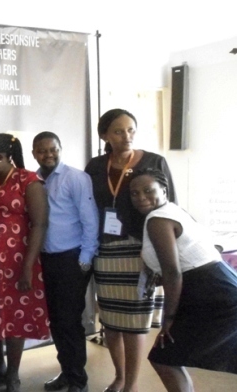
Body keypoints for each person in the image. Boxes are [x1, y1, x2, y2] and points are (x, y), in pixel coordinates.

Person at [85, 109, 176, 392]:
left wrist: (161, 259)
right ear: (104, 135)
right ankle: (120, 376)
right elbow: (89, 208)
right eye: (118, 131)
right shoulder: (96, 166)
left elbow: (170, 208)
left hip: (143, 251)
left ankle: (132, 385)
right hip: (107, 251)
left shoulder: (153, 161)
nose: (126, 136)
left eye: (131, 130)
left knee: (136, 322)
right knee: (111, 320)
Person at [129, 168, 237, 391]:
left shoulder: (158, 219)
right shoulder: (174, 210)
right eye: (134, 193)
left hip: (211, 293)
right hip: (218, 285)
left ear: (164, 190)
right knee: (167, 357)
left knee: (165, 356)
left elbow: (173, 272)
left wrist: (168, 319)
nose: (141, 197)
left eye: (148, 190)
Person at [0, 133, 50, 392]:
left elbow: (40, 224)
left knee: (15, 315)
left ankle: (14, 374)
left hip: (18, 260)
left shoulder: (28, 180)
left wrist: (28, 266)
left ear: (3, 156)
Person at [31, 132, 99, 392]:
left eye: (53, 149)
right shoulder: (34, 180)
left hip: (72, 259)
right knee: (57, 321)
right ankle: (66, 372)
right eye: (42, 151)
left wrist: (85, 259)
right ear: (34, 153)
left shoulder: (75, 178)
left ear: (61, 149)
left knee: (69, 321)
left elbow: (90, 219)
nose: (48, 154)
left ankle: (78, 380)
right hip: (46, 260)